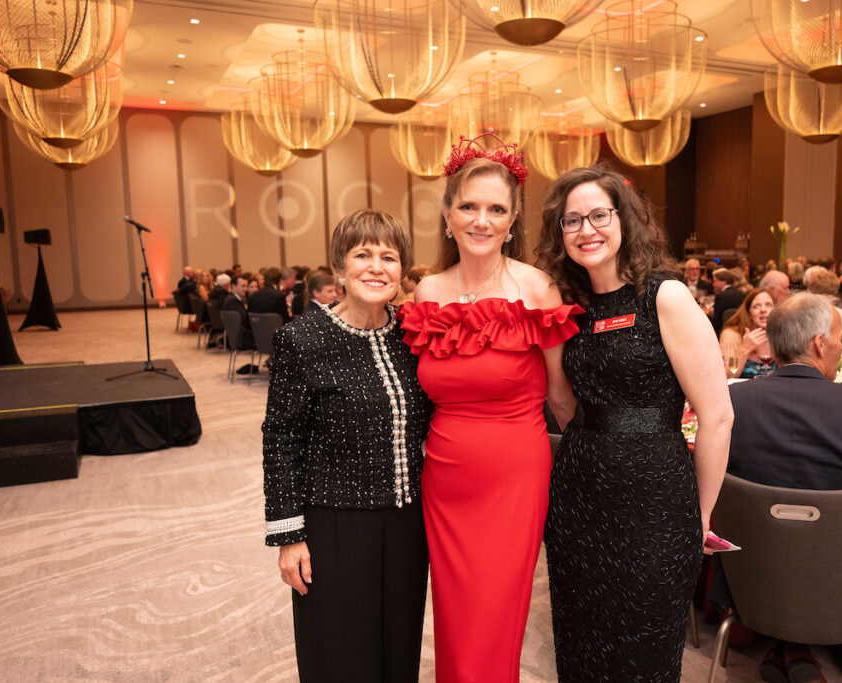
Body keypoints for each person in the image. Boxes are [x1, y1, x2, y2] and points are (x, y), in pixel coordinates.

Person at [535, 164, 733, 681]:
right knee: (579, 641)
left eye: (598, 215)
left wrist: (701, 516)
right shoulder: (570, 305)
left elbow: (717, 416)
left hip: (655, 501)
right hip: (578, 497)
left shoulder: (664, 295)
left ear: (623, 219)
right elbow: (562, 400)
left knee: (643, 650)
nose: (586, 230)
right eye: (571, 220)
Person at [396, 132, 580, 682]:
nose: (482, 220)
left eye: (496, 209)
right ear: (447, 215)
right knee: (453, 616)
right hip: (445, 478)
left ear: (512, 219)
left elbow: (561, 395)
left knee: (496, 614)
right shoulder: (427, 293)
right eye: (469, 206)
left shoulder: (538, 290)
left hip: (514, 477)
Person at [263, 209, 432, 682]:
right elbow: (280, 441)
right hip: (333, 526)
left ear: (403, 271)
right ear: (340, 266)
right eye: (363, 255)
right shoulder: (302, 340)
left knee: (398, 649)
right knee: (339, 654)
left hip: (406, 526)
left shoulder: (412, 334)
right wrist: (289, 536)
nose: (376, 267)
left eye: (389, 257)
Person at [720, 293, 842, 682]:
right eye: (840, 339)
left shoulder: (732, 402)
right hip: (841, 583)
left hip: (753, 580)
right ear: (819, 343)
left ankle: (787, 646)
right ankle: (796, 648)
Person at [719, 288, 778, 378]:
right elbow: (727, 375)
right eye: (756, 306)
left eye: (768, 305)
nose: (763, 310)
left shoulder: (781, 336)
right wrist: (744, 350)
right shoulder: (732, 335)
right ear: (749, 313)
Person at [711, 268, 746, 334]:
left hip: (723, 332)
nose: (713, 285)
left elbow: (716, 323)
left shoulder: (721, 296)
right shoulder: (742, 294)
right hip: (740, 331)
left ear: (724, 281)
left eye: (715, 281)